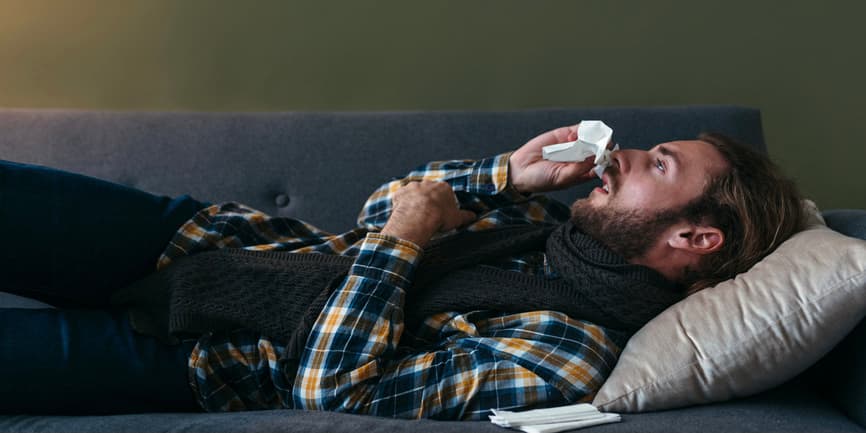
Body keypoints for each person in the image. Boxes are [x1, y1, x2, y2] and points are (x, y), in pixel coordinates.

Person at [0, 123, 804, 419]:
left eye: (656, 163)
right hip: (200, 237)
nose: (623, 154)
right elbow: (388, 204)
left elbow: (334, 389)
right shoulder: (543, 224)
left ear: (696, 238)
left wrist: (407, 239)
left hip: (202, 358)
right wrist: (501, 178)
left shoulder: (565, 351)